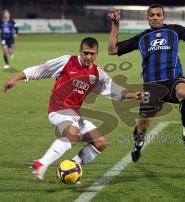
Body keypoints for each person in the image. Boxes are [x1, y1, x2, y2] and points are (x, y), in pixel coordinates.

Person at [4, 37, 141, 181]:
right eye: (85, 53)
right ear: (80, 51)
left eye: (92, 53)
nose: (88, 57)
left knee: (100, 142)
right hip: (58, 108)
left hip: (73, 113)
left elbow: (116, 91)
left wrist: (134, 95)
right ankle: (41, 164)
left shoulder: (97, 74)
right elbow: (42, 69)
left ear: (97, 54)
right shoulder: (67, 61)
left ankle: (72, 166)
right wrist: (16, 77)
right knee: (71, 137)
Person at [108, 4, 185, 162]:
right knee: (142, 128)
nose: (155, 17)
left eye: (158, 14)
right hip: (152, 86)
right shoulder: (141, 38)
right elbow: (112, 50)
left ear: (163, 16)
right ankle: (138, 143)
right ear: (148, 18)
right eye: (151, 15)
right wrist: (115, 25)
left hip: (174, 79)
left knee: (184, 93)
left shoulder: (175, 30)